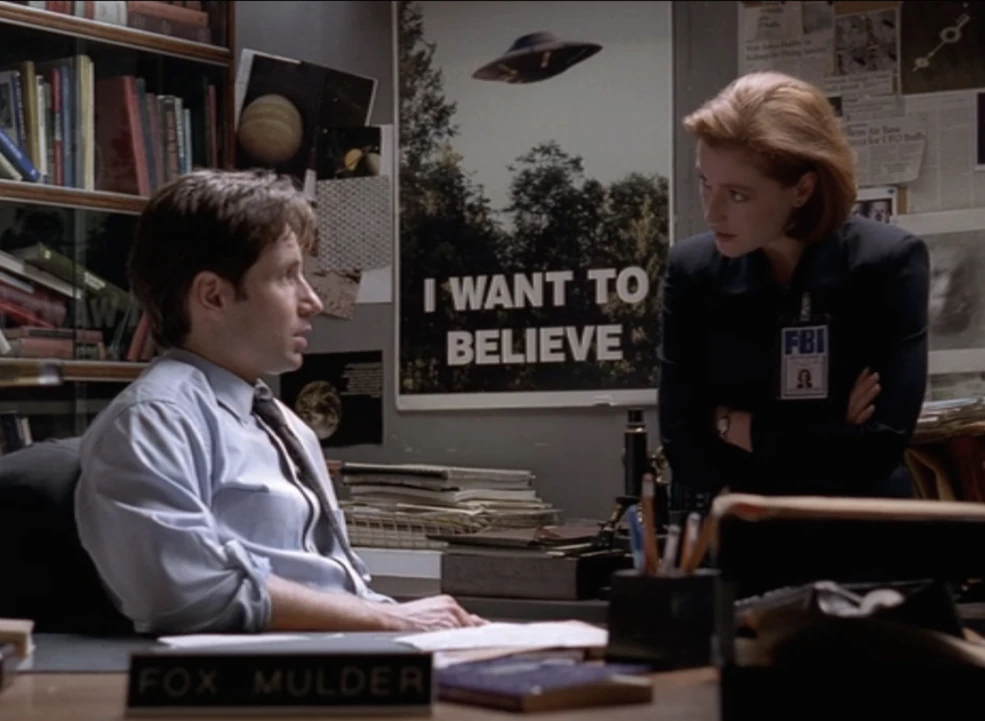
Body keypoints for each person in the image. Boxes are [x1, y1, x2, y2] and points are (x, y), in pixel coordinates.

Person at [75, 169, 483, 635]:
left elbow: (339, 587)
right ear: (214, 296)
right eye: (288, 276)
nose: (312, 301)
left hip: (343, 650)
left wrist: (430, 623)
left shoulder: (287, 425)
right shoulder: (154, 421)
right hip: (263, 670)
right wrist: (387, 618)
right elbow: (182, 591)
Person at [658, 71, 929, 500]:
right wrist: (831, 431)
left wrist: (736, 425)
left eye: (738, 195)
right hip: (742, 525)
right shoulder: (693, 270)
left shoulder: (887, 262)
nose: (712, 213)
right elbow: (684, 445)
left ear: (802, 189)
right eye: (705, 184)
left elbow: (879, 447)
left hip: (862, 527)